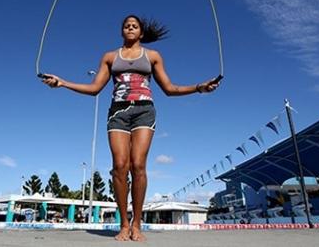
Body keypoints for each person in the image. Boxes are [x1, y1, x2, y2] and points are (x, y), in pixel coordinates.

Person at [42, 15, 219, 241]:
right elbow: (95, 88)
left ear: (141, 33)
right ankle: (123, 224)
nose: (130, 28)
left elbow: (169, 88)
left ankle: (137, 223)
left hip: (144, 111)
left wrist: (199, 87)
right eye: (127, 26)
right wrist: (63, 83)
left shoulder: (153, 56)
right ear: (122, 31)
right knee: (119, 166)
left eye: (135, 26)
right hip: (118, 112)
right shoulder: (109, 57)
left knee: (138, 165)